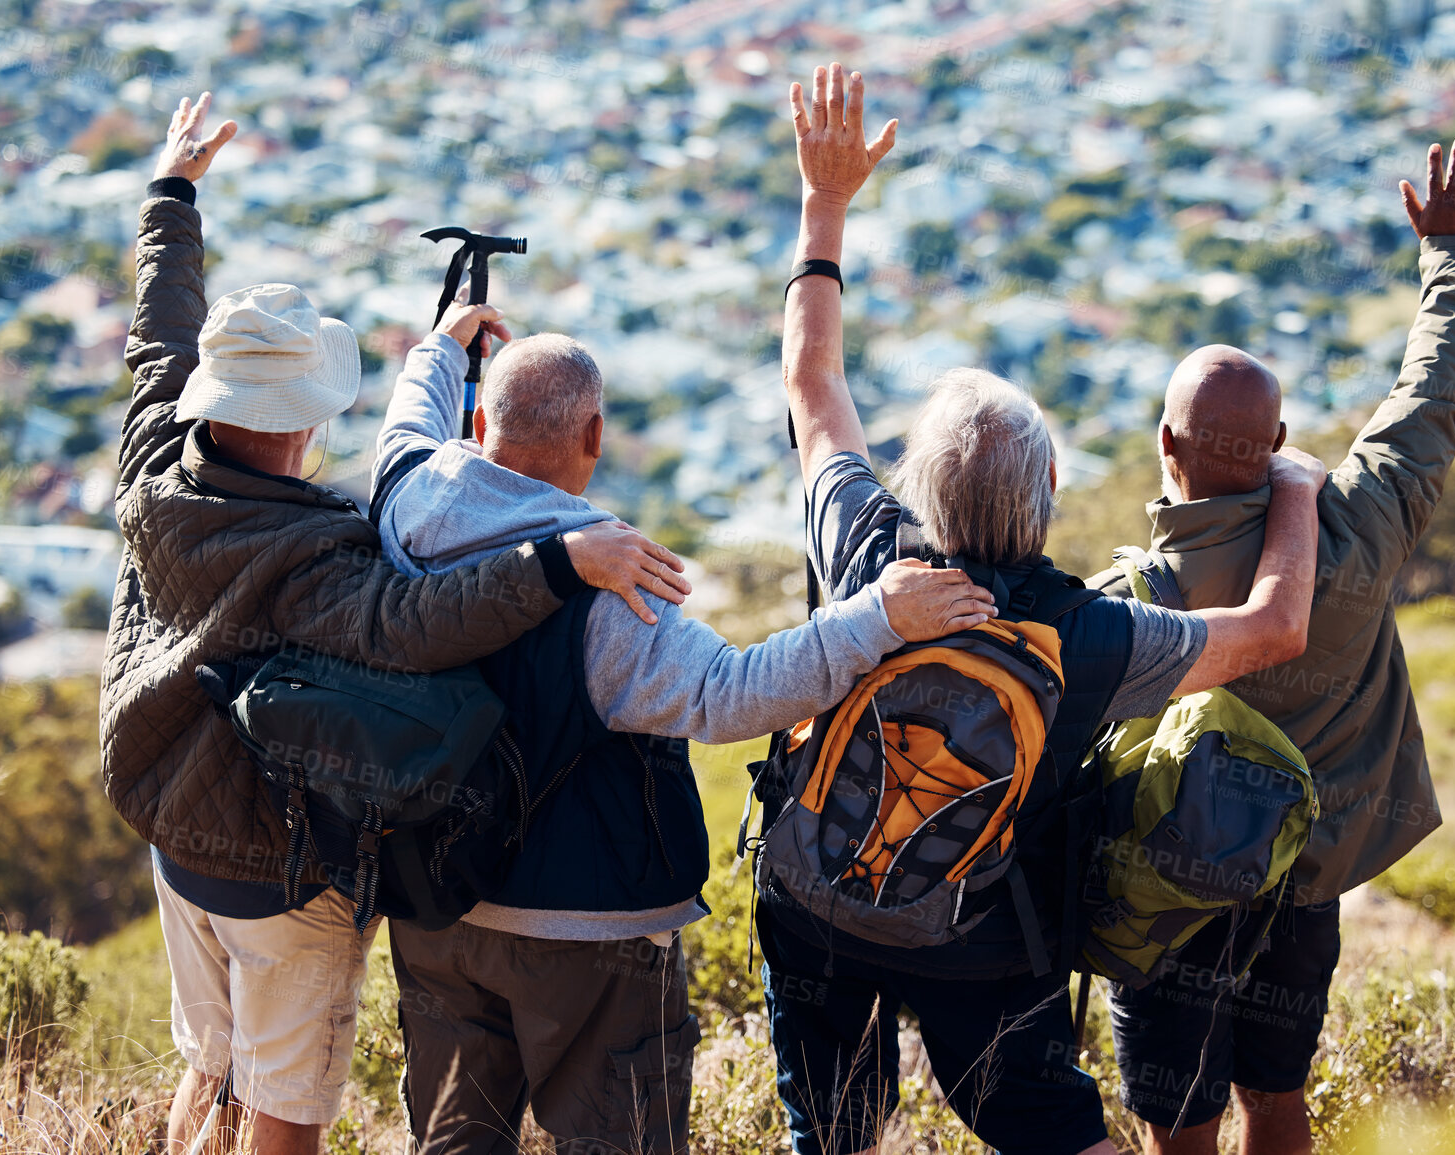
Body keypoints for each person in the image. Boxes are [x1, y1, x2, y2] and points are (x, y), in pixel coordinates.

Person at [756, 65, 1331, 1155]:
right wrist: (1293, 487)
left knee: (827, 1136)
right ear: (1052, 485)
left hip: (817, 911)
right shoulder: (1090, 634)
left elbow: (813, 384)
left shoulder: (867, 555)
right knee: (1060, 1135)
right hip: (983, 938)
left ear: (916, 486)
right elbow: (1273, 632)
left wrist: (823, 204)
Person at [101, 93, 686, 1155]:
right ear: (310, 421)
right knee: (288, 1107)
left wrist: (171, 194)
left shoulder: (153, 465)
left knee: (213, 1064)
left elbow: (160, 334)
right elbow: (418, 622)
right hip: (276, 872)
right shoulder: (311, 552)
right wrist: (558, 559)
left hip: (171, 839)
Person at [367, 307, 1000, 1153]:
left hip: (434, 905)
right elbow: (732, 694)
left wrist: (442, 349)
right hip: (586, 930)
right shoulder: (609, 582)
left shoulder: (408, 500)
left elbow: (405, 428)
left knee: (454, 1141)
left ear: (480, 423)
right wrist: (876, 616)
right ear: (593, 433)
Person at [1092, 139, 1455, 1155]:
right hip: (1304, 888)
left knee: (1180, 1130)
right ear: (1276, 443)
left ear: (1166, 446)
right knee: (1279, 1100)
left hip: (1170, 909)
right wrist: (1452, 256)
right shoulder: (1361, 528)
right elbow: (1432, 397)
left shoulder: (1132, 600)